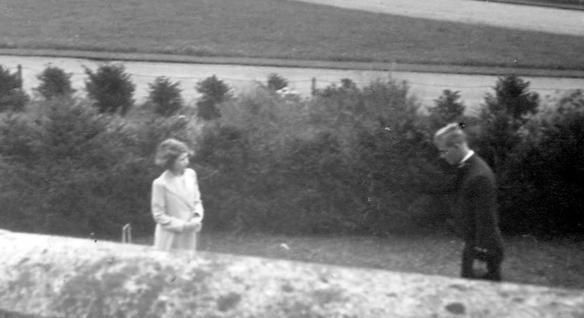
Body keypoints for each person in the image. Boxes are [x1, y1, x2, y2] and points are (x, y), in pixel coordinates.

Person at [433, 123, 504, 281]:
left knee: (483, 300)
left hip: (484, 249)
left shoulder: (479, 176)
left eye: (444, 151)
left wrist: (481, 257)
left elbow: (486, 220)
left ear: (457, 146)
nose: (442, 156)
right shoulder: (467, 167)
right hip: (473, 245)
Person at [151, 138, 204, 252]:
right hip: (169, 236)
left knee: (187, 266)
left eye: (187, 158)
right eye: (182, 159)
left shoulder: (191, 175)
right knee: (168, 267)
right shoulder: (160, 183)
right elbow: (159, 215)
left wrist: (196, 219)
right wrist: (183, 226)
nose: (186, 162)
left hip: (189, 234)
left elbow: (197, 201)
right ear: (170, 162)